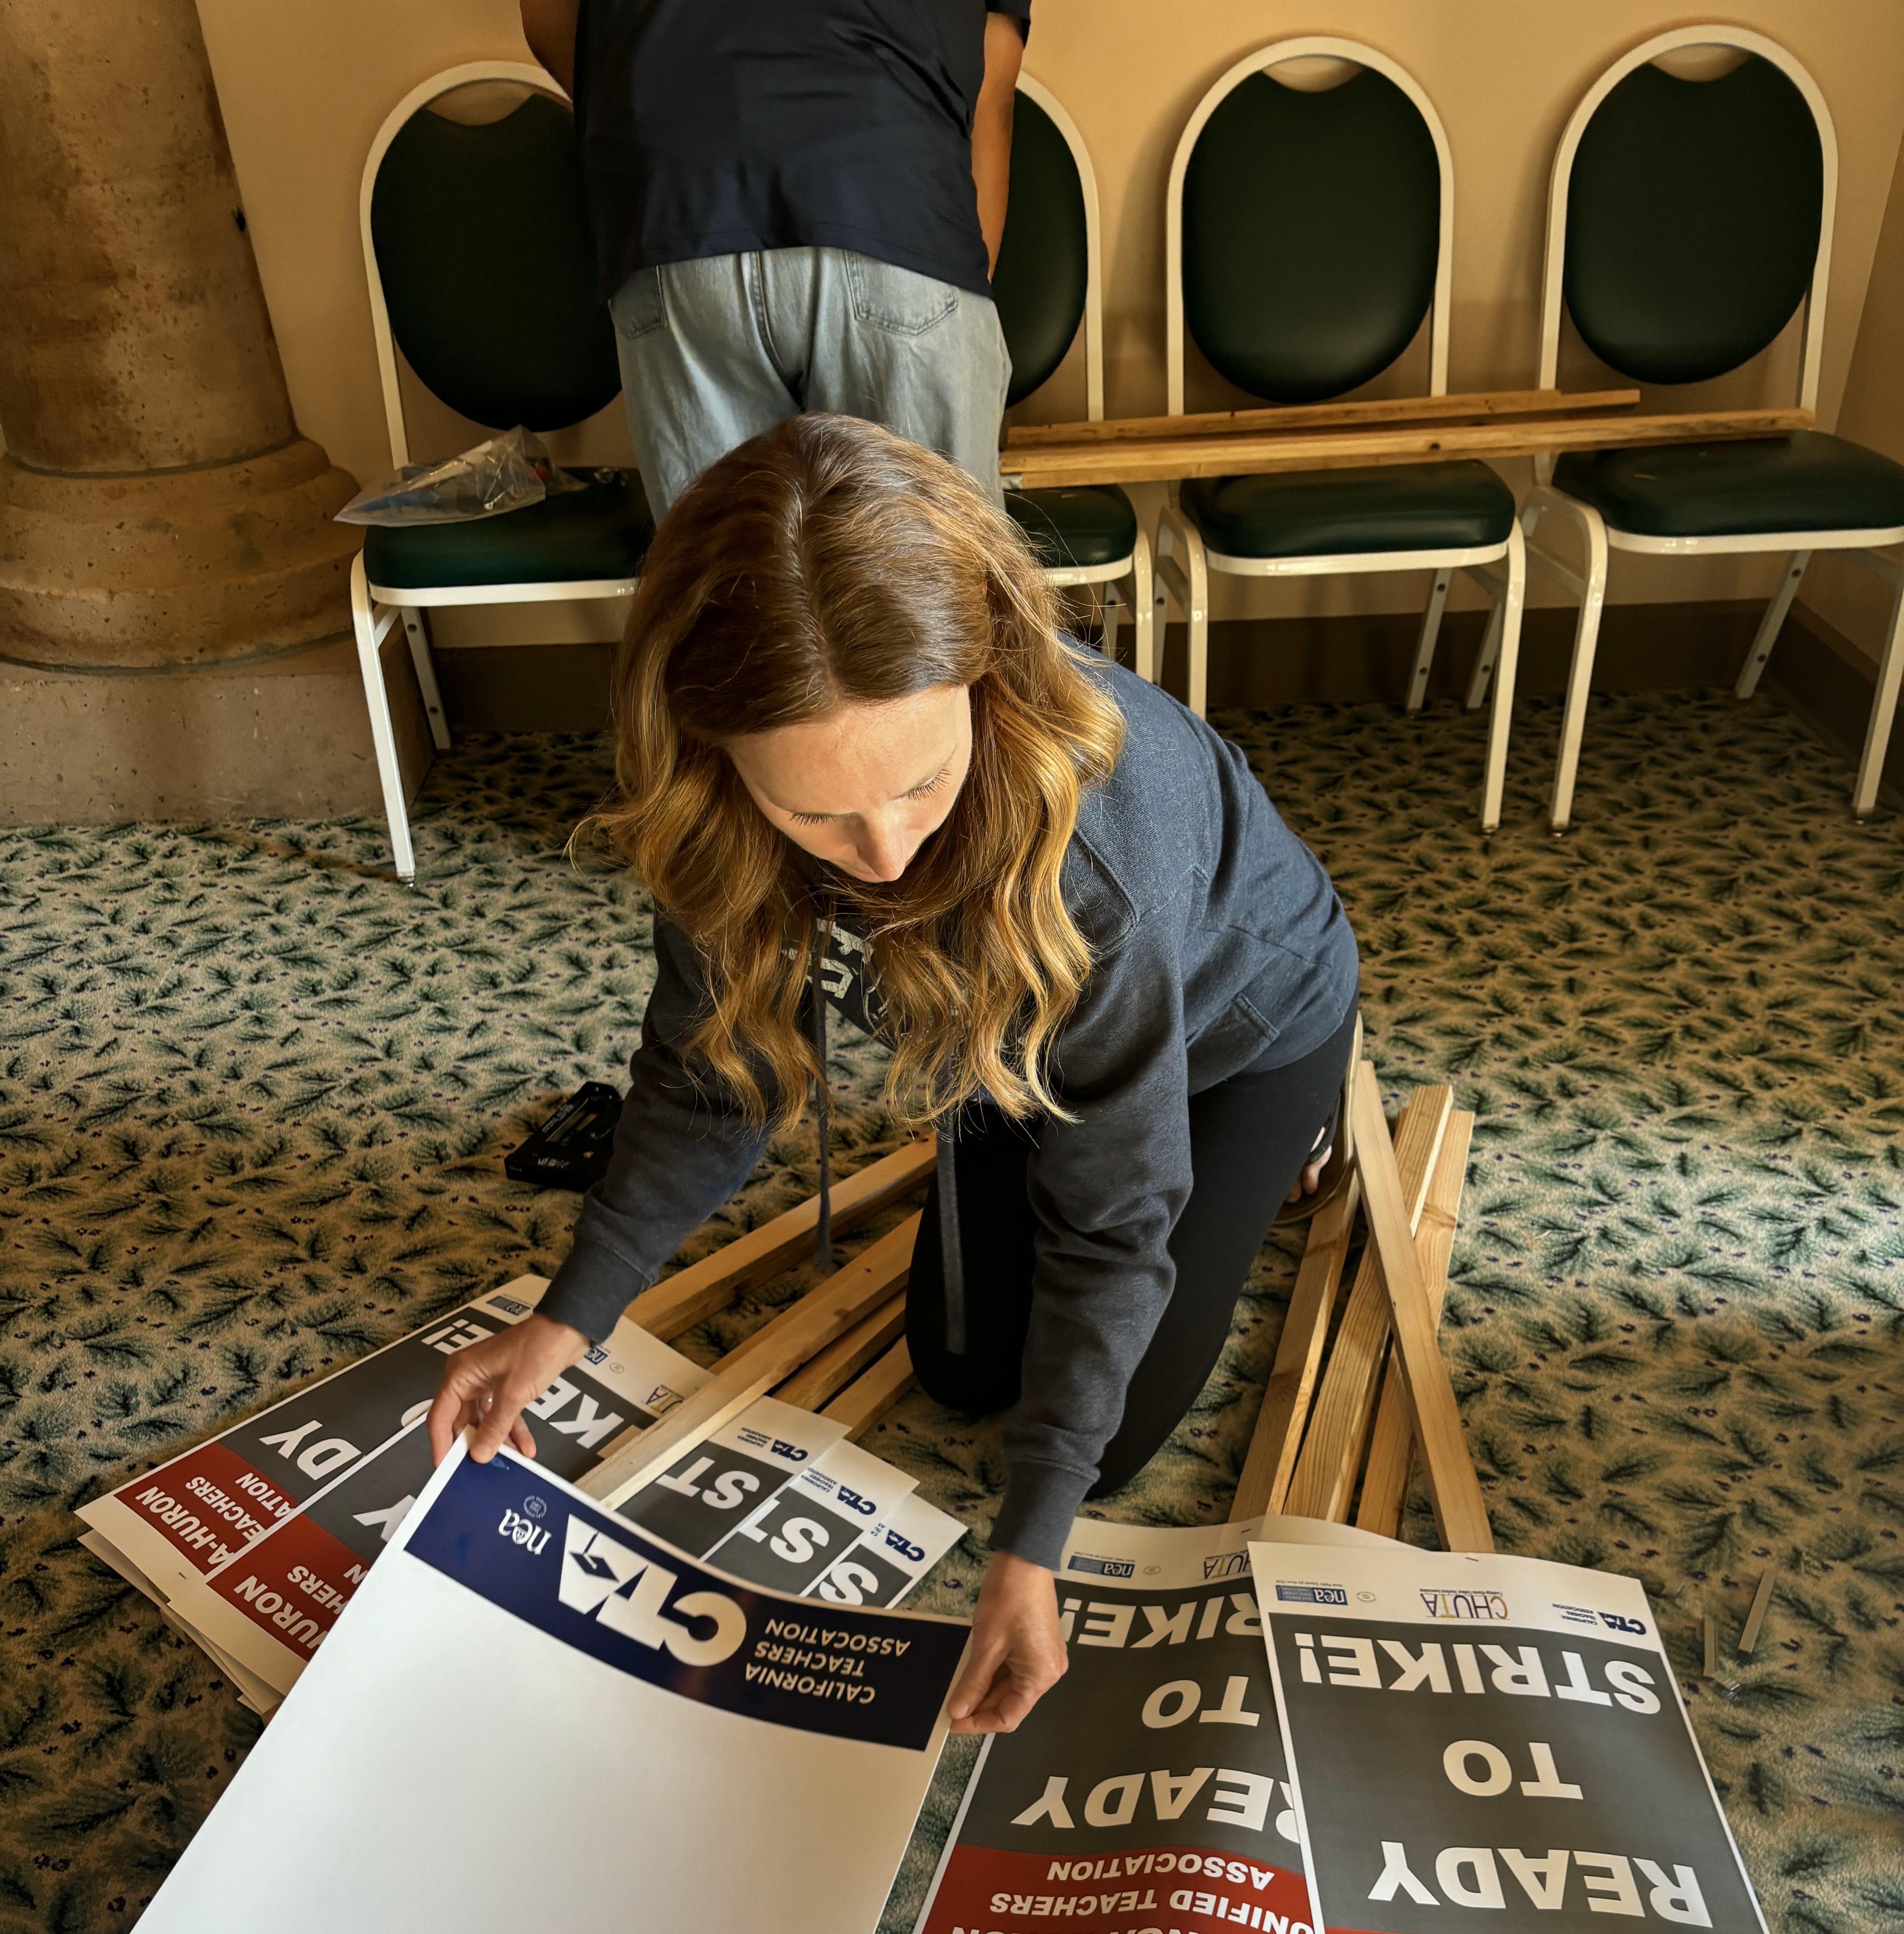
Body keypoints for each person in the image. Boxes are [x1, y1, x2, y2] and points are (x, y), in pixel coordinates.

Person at [427, 416, 1360, 1736]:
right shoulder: (713, 808)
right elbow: (709, 1077)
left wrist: (1030, 1547)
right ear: (713, 752)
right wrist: (566, 1318)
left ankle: (1297, 1126)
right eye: (813, 812)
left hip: (1241, 1028)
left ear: (989, 679)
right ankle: (1009, 1061)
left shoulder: (1105, 859)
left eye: (924, 782)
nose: (882, 856)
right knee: (964, 1369)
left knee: (1101, 1450)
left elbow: (1114, 1221)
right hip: (998, 1019)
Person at [521, 0, 1029, 514]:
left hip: (676, 203)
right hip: (893, 195)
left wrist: (651, 122)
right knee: (926, 561)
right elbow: (994, 87)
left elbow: (545, 17)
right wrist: (957, 283)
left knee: (719, 560)